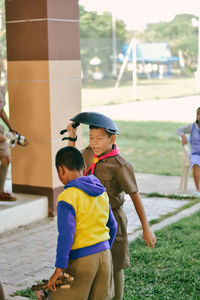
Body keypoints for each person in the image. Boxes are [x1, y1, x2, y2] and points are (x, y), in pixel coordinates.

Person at [66, 113, 157, 300]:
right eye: (91, 137)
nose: (94, 142)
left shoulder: (120, 165)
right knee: (93, 262)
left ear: (112, 139)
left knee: (115, 265)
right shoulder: (88, 154)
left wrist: (146, 228)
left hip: (113, 219)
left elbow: (135, 196)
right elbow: (69, 162)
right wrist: (72, 137)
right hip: (90, 220)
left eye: (99, 138)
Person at [47, 146, 118, 300]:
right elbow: (113, 226)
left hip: (82, 261)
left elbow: (66, 235)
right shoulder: (101, 192)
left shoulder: (67, 197)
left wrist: (59, 268)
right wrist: (104, 249)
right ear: (84, 167)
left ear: (61, 170)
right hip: (105, 256)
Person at [176, 107, 200, 197]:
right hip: (195, 154)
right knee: (195, 164)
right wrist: (183, 135)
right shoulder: (192, 126)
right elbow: (178, 130)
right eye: (198, 114)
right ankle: (198, 189)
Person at [0, 86, 16, 201]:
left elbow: (1, 111)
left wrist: (11, 128)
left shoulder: (1, 90)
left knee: (6, 158)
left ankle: (0, 192)